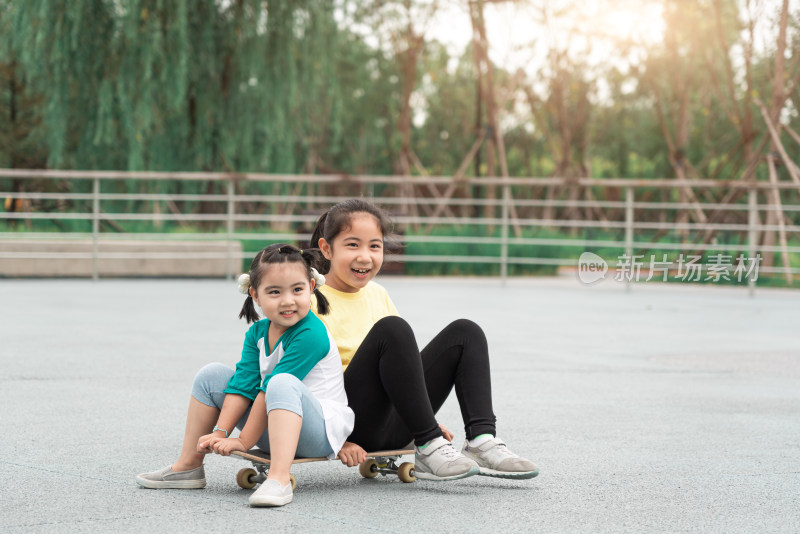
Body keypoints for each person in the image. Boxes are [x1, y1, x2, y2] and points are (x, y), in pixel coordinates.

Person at [310, 199, 538, 481]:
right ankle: (429, 444)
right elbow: (305, 380)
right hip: (347, 423)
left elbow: (400, 369)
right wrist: (333, 439)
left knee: (466, 332)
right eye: (353, 245)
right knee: (392, 329)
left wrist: (421, 418)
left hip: (394, 424)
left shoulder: (378, 293)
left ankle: (480, 440)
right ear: (326, 249)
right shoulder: (307, 301)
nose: (365, 257)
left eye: (375, 246)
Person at [136, 244, 354, 507]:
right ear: (255, 295)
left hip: (318, 433)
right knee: (212, 375)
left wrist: (243, 440)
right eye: (274, 292)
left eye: (297, 289)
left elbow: (270, 387)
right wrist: (220, 432)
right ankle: (188, 466)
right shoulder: (257, 332)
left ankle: (279, 478)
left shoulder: (312, 333)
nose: (288, 300)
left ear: (311, 286)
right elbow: (244, 385)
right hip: (273, 424)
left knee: (280, 382)